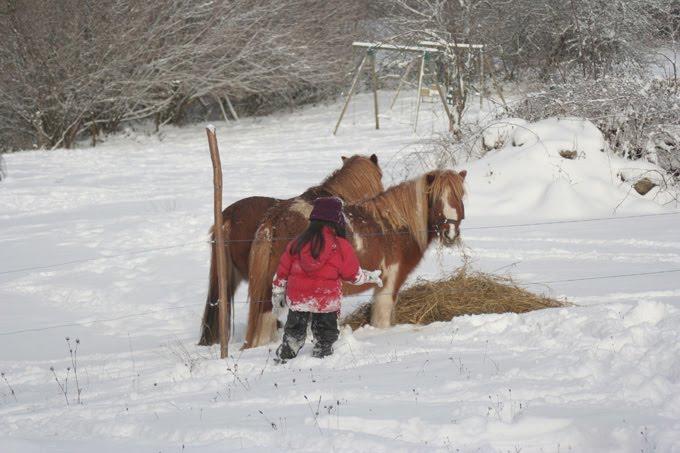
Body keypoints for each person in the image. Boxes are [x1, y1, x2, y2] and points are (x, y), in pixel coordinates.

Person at [271, 196, 383, 361]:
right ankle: (322, 358)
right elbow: (352, 275)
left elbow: (282, 271)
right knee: (326, 335)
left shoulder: (297, 243)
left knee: (294, 332)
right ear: (337, 221)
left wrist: (278, 291)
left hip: (299, 299)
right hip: (326, 301)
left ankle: (286, 355)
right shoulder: (341, 246)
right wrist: (369, 276)